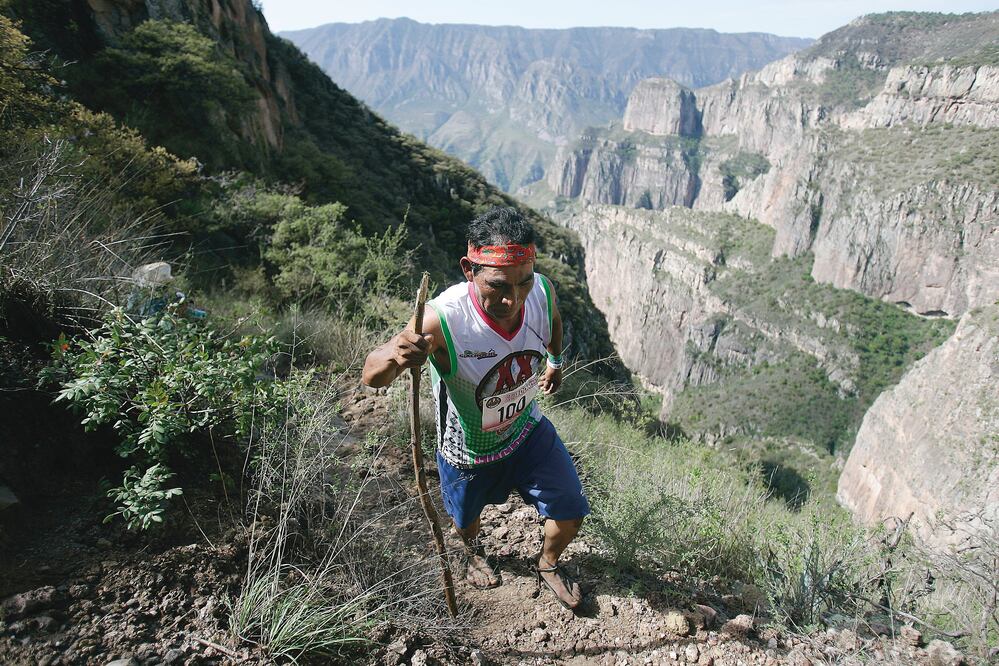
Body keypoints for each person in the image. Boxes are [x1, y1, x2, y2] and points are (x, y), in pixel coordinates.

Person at [362, 207, 590, 610]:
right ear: (470, 269)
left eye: (524, 282)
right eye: (498, 285)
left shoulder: (541, 290)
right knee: (466, 520)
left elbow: (553, 319)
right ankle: (474, 551)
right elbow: (373, 377)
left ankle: (548, 563)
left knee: (570, 509)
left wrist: (555, 361)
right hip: (467, 451)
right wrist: (399, 352)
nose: (513, 299)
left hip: (526, 431)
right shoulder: (443, 319)